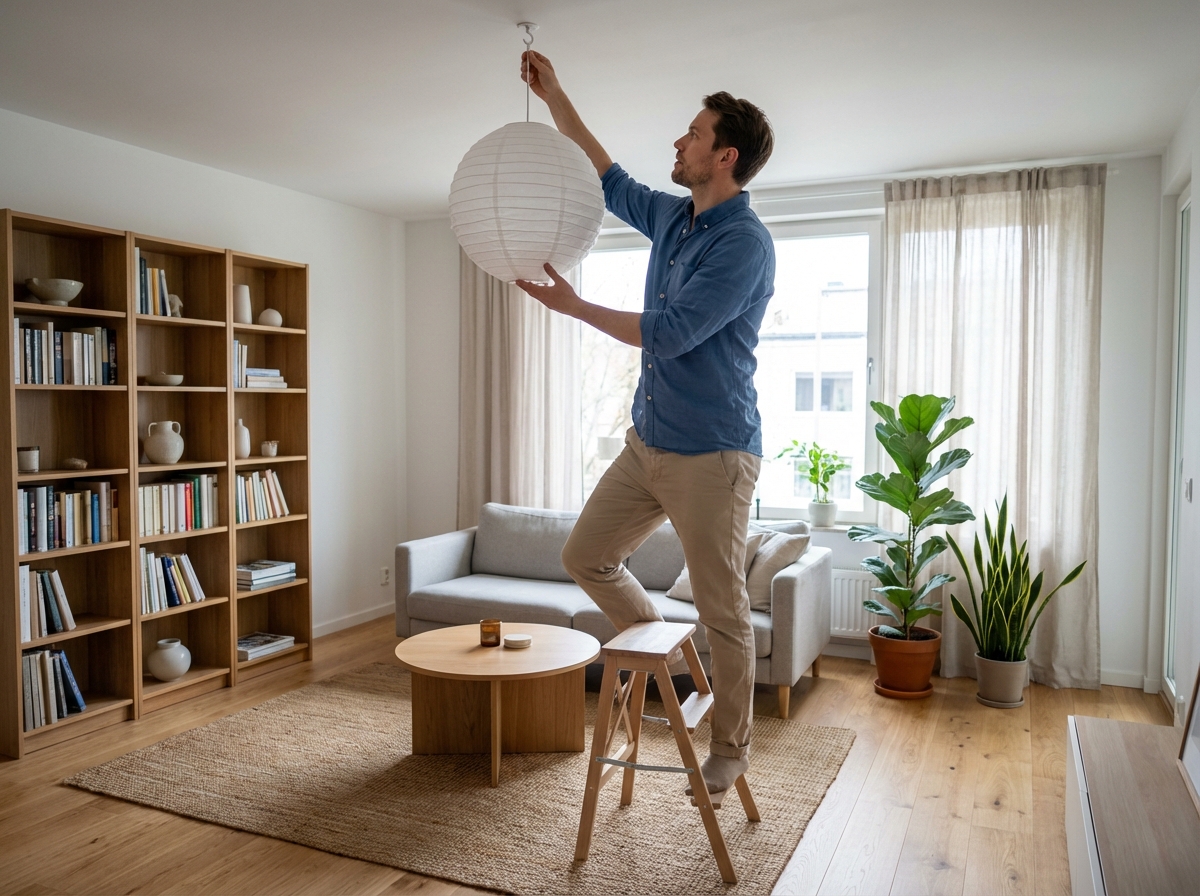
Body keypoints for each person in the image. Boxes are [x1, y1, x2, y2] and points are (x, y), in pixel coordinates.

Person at [516, 50, 776, 799]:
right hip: (648, 442)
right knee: (585, 554)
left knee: (724, 604)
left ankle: (731, 746)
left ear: (723, 156)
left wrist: (574, 308)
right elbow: (608, 176)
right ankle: (666, 648)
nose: (678, 143)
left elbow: (671, 332)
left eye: (691, 134)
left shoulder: (743, 244)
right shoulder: (673, 216)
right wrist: (556, 92)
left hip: (714, 454)